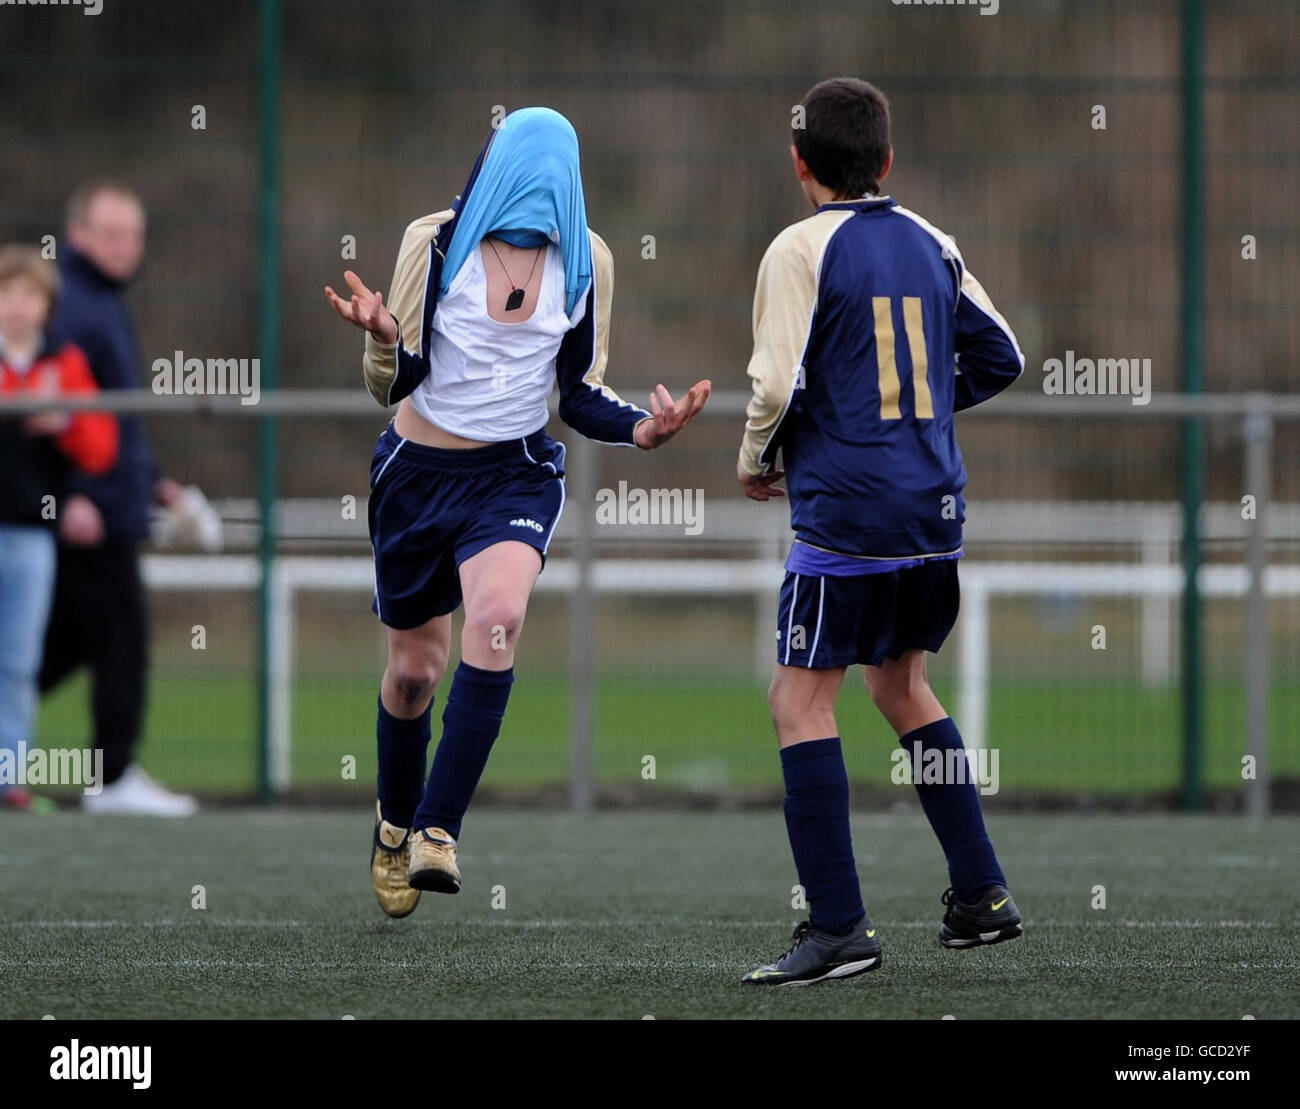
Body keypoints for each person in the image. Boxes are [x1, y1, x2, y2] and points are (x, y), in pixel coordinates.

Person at [326, 107, 710, 918]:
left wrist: (644, 427)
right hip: (415, 475)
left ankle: (437, 830)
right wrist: (382, 337)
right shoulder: (432, 242)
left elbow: (577, 391)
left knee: (498, 620)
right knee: (412, 672)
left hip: (515, 473)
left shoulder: (590, 258)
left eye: (555, 174)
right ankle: (393, 821)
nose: (539, 188)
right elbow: (387, 384)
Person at [737, 78, 1026, 986]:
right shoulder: (932, 241)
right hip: (934, 509)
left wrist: (755, 459)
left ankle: (837, 929)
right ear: (887, 162)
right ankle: (980, 896)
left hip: (851, 510)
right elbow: (1002, 354)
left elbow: (778, 386)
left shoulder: (798, 248)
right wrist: (919, 416)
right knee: (902, 688)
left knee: (798, 702)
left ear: (799, 164)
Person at [39, 179, 198, 816]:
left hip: (108, 506)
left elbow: (116, 422)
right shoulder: (72, 303)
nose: (126, 246)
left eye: (134, 234)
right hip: (89, 513)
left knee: (66, 642)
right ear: (77, 235)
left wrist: (155, 482)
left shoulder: (101, 299)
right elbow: (58, 415)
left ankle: (112, 772)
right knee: (117, 637)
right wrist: (72, 494)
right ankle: (115, 774)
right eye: (112, 233)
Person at [0, 244, 118, 813]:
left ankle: (10, 779)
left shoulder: (64, 363)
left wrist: (63, 421)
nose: (18, 307)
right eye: (7, 293)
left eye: (30, 295)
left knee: (18, 662)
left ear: (46, 306)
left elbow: (100, 447)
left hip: (29, 535)